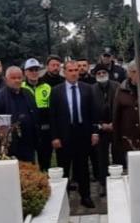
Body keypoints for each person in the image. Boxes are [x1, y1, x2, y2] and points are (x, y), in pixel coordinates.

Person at [50, 60, 101, 208]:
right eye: (70, 70)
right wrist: (55, 136)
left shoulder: (87, 89)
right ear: (64, 72)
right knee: (64, 167)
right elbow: (52, 116)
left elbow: (93, 113)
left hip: (83, 132)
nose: (73, 73)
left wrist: (95, 132)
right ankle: (63, 200)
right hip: (64, 134)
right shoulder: (56, 91)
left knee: (83, 167)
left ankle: (85, 196)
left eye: (76, 70)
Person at [0, 66, 40, 164]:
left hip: (28, 143)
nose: (17, 80)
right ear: (6, 79)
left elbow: (35, 115)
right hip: (11, 146)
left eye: (19, 77)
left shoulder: (28, 93)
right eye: (13, 78)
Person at [23, 58, 54, 172]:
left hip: (44, 130)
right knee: (29, 162)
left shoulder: (47, 87)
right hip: (28, 130)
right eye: (31, 70)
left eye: (36, 69)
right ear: (25, 72)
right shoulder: (21, 87)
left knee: (45, 161)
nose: (34, 72)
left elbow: (52, 109)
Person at [92, 66, 119, 195]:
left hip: (116, 127)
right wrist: (100, 125)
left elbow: (121, 106)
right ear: (95, 75)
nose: (102, 74)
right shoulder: (91, 90)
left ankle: (119, 181)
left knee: (118, 155)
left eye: (104, 72)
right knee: (101, 158)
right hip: (100, 129)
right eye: (99, 73)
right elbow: (89, 111)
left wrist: (114, 123)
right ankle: (103, 183)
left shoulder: (117, 86)